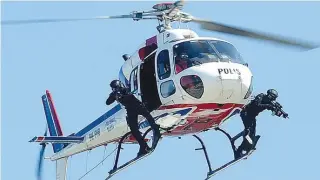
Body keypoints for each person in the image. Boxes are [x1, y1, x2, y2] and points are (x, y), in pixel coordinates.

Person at [106, 80, 161, 156]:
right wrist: (113, 96)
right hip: (130, 110)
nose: (114, 90)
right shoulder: (115, 94)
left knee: (148, 116)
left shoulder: (125, 89)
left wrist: (122, 96)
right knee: (134, 129)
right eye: (113, 89)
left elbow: (130, 96)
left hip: (137, 105)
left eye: (115, 88)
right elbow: (107, 102)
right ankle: (143, 146)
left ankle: (156, 130)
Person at [235, 89, 287, 158]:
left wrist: (281, 113)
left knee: (252, 134)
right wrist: (268, 105)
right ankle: (239, 151)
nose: (272, 100)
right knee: (248, 131)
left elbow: (273, 110)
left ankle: (245, 148)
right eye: (271, 97)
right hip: (246, 113)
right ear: (269, 95)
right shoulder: (261, 96)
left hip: (252, 117)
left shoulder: (269, 103)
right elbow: (257, 105)